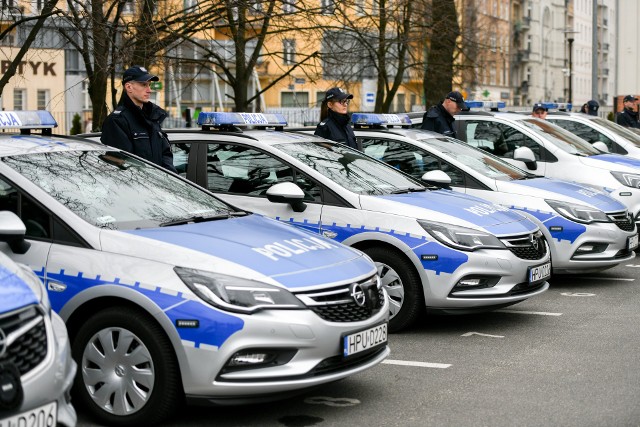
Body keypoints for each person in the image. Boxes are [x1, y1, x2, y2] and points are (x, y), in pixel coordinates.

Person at [101, 65, 177, 172]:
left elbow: (165, 153)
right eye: (144, 85)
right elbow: (120, 163)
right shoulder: (117, 121)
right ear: (129, 87)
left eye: (149, 85)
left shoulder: (152, 117)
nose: (149, 90)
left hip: (159, 186)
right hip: (136, 186)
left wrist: (170, 179)